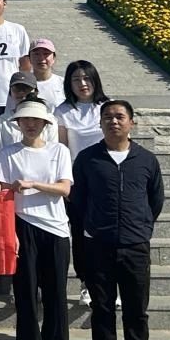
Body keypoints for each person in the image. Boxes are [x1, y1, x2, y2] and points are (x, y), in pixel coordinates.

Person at [71, 100, 166, 340]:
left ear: (131, 122)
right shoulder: (88, 159)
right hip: (98, 242)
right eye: (107, 117)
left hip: (135, 244)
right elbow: (78, 201)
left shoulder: (146, 160)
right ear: (100, 123)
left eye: (120, 117)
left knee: (136, 305)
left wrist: (140, 226)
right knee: (102, 303)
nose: (113, 121)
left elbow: (155, 199)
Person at [0, 98, 75, 340]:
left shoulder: (59, 151)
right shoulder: (8, 153)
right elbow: (2, 191)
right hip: (22, 224)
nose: (30, 124)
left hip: (56, 228)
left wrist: (33, 184)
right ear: (17, 123)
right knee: (25, 292)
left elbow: (64, 188)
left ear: (44, 123)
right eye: (25, 120)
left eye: (35, 120)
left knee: (56, 293)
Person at [56, 59, 111, 306]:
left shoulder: (107, 107)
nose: (82, 83)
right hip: (79, 182)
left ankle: (110, 283)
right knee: (79, 233)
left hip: (107, 179)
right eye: (76, 79)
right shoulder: (63, 111)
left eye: (87, 78)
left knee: (108, 234)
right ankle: (86, 283)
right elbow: (62, 148)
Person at [0, 74, 58, 149]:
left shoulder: (49, 120)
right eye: (17, 88)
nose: (21, 92)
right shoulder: (1, 121)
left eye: (27, 88)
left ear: (36, 92)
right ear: (10, 92)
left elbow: (53, 149)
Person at [29, 39, 64, 110]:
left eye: (46, 54)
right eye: (36, 54)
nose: (41, 58)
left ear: (54, 58)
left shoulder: (64, 84)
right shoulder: (22, 84)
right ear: (29, 58)